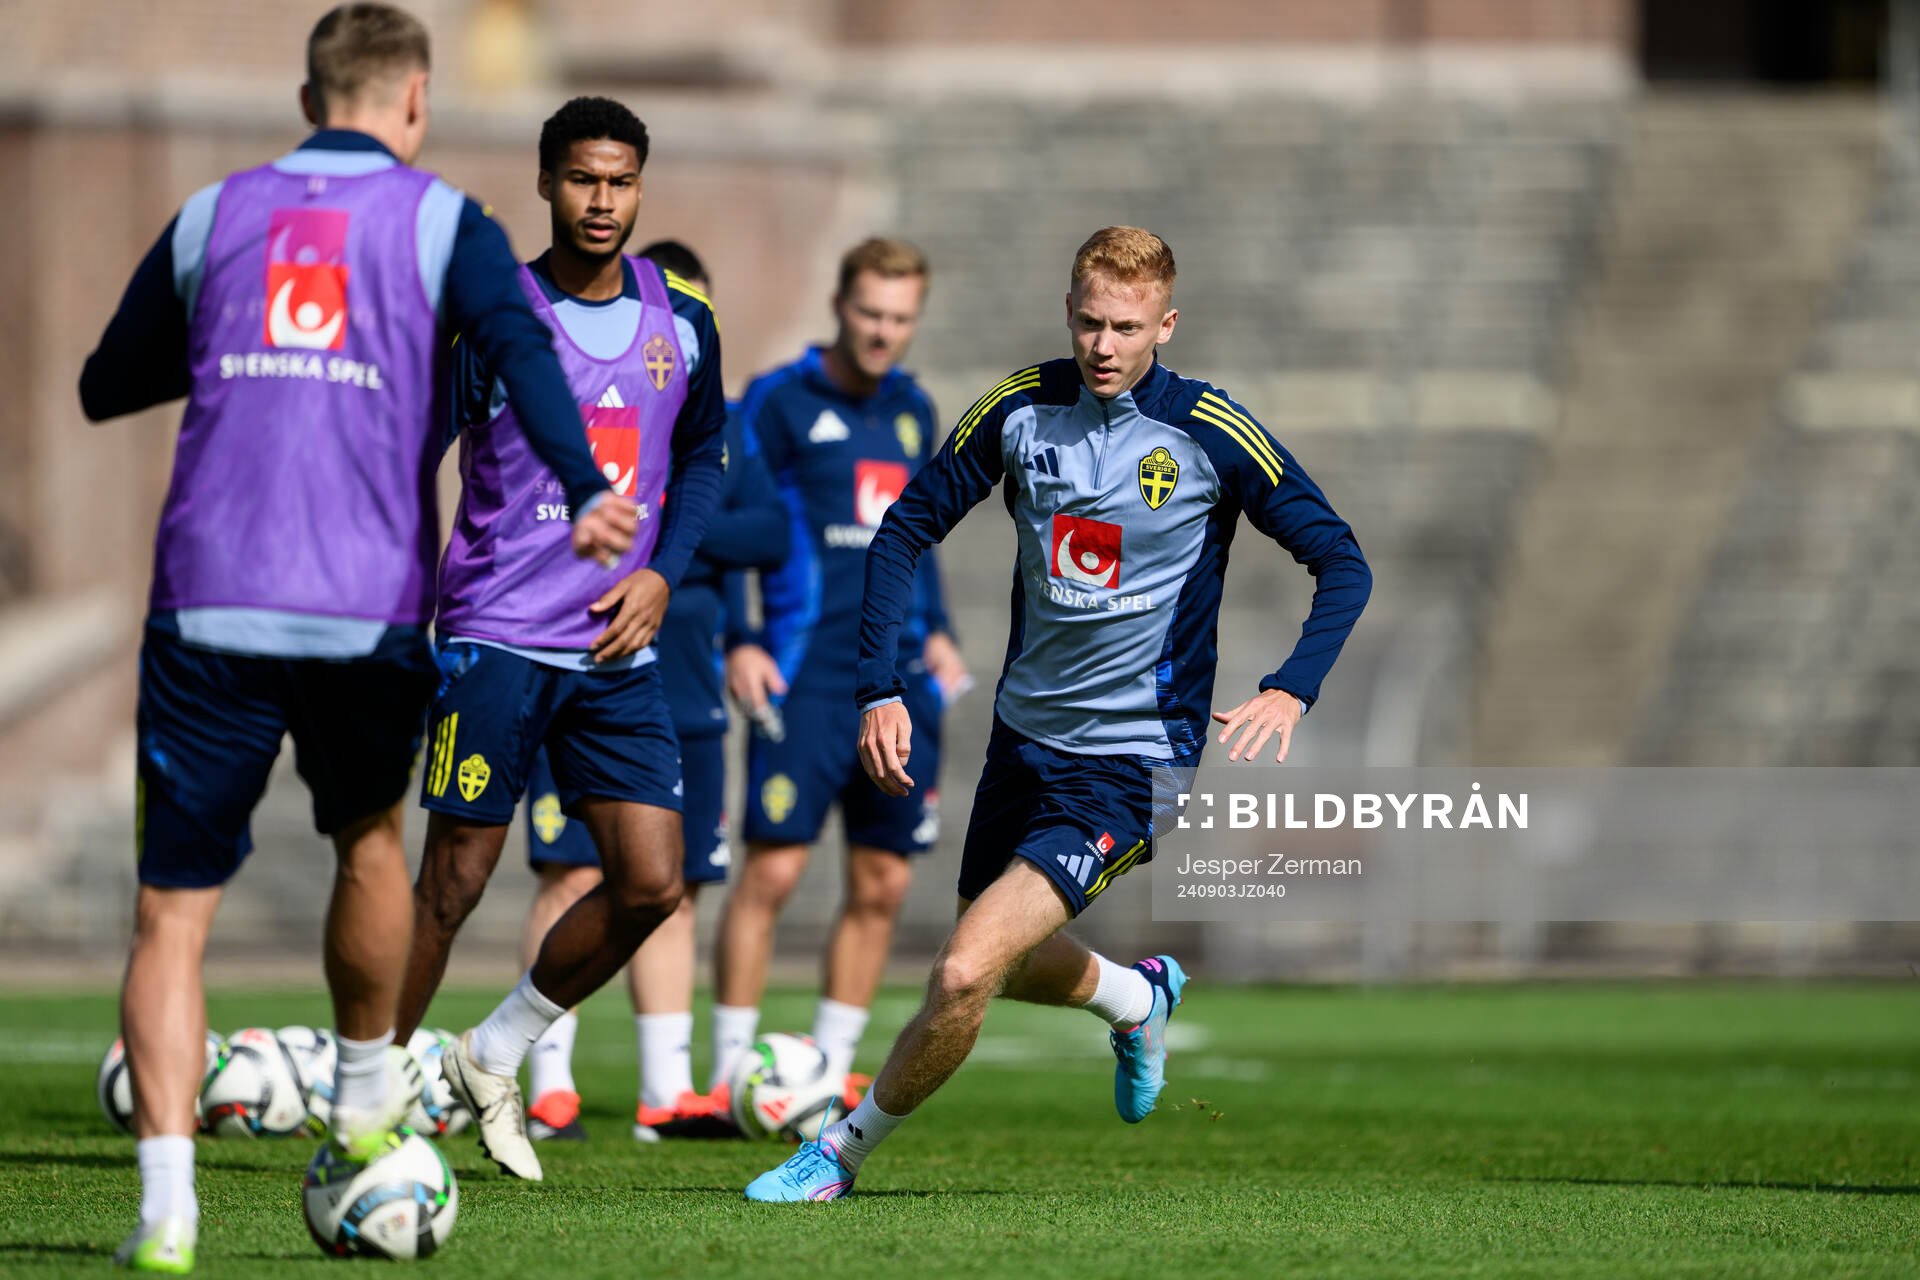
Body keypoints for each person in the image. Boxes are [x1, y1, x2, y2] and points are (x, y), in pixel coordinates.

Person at [77, 5, 635, 1269]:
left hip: (209, 599)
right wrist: (586, 482)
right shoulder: (447, 223)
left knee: (171, 912)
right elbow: (521, 352)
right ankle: (368, 1096)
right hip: (365, 606)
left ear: (308, 94)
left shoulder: (214, 213)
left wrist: (246, 348)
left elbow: (106, 382)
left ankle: (166, 1216)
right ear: (416, 101)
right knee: (371, 841)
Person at [745, 226, 1371, 1201]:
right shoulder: (1021, 408)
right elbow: (904, 528)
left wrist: (1293, 682)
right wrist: (880, 683)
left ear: (1166, 323)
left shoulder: (1211, 432)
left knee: (961, 971)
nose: (1105, 346)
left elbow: (1342, 558)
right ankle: (1137, 995)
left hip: (1132, 759)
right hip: (1021, 740)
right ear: (1068, 313)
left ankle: (838, 1153)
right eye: (1089, 322)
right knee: (1010, 957)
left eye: (1127, 326)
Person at [389, 95, 726, 1184]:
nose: (602, 200)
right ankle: (369, 1091)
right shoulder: (493, 317)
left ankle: (496, 1049)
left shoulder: (684, 317)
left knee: (650, 883)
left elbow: (710, 457)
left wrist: (665, 578)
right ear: (545, 182)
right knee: (455, 878)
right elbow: (410, 456)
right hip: (497, 634)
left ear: (641, 187)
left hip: (619, 650)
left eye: (621, 181)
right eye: (583, 179)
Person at [514, 242, 790, 1144]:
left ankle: (664, 1093)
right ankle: (546, 1083)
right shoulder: (594, 404)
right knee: (569, 870)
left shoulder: (725, 423)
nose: (676, 348)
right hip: (583, 658)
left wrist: (668, 538)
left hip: (690, 683)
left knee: (671, 886)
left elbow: (765, 531)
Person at [711, 237, 968, 1105]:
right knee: (774, 871)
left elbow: (918, 537)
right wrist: (740, 637)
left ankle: (826, 1066)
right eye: (869, 312)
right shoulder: (778, 402)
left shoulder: (913, 411)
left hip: (898, 676)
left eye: (899, 318)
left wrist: (938, 630)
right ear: (838, 303)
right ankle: (727, 1070)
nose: (882, 332)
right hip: (805, 672)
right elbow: (732, 517)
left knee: (882, 878)